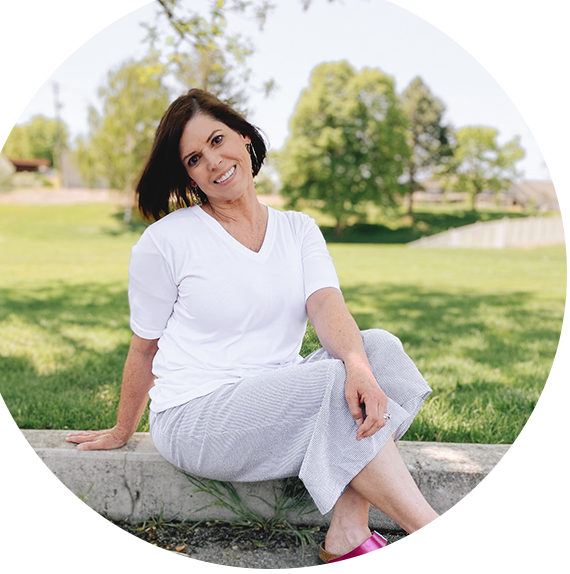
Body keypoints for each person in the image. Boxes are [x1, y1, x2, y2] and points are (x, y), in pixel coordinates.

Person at [66, 89, 529, 569]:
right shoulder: (165, 242)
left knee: (378, 352)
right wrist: (124, 428)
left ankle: (349, 530)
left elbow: (327, 305)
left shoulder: (298, 229)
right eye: (195, 158)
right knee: (333, 384)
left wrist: (357, 365)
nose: (214, 161)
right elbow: (146, 347)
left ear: (244, 137)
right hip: (195, 416)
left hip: (276, 397)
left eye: (219, 139)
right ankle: (442, 548)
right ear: (190, 175)